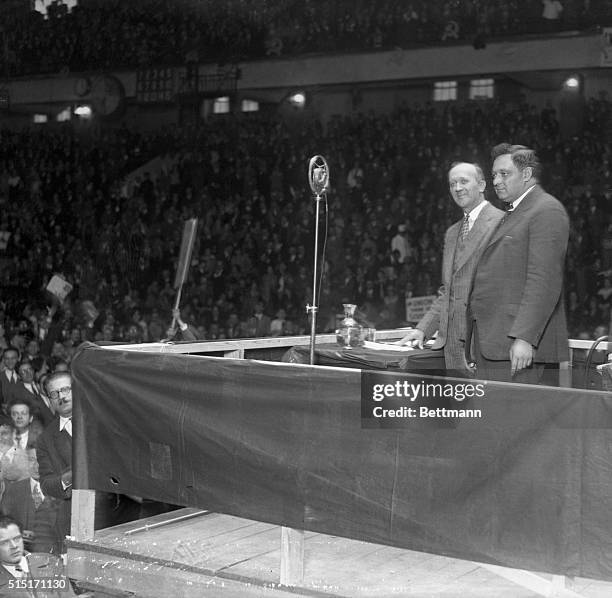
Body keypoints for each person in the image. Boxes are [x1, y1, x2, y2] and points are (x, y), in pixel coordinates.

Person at [467, 144, 569, 384]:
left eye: (504, 174)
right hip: (496, 345)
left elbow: (543, 281)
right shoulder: (511, 213)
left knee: (521, 420)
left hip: (520, 350)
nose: (496, 181)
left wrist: (524, 338)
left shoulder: (546, 210)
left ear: (526, 175)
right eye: (494, 175)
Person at [397, 162, 504, 375]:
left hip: (483, 349)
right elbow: (449, 292)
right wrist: (422, 329)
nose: (457, 188)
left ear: (482, 185)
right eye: (452, 183)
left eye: (464, 181)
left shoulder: (501, 222)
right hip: (451, 348)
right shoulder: (452, 232)